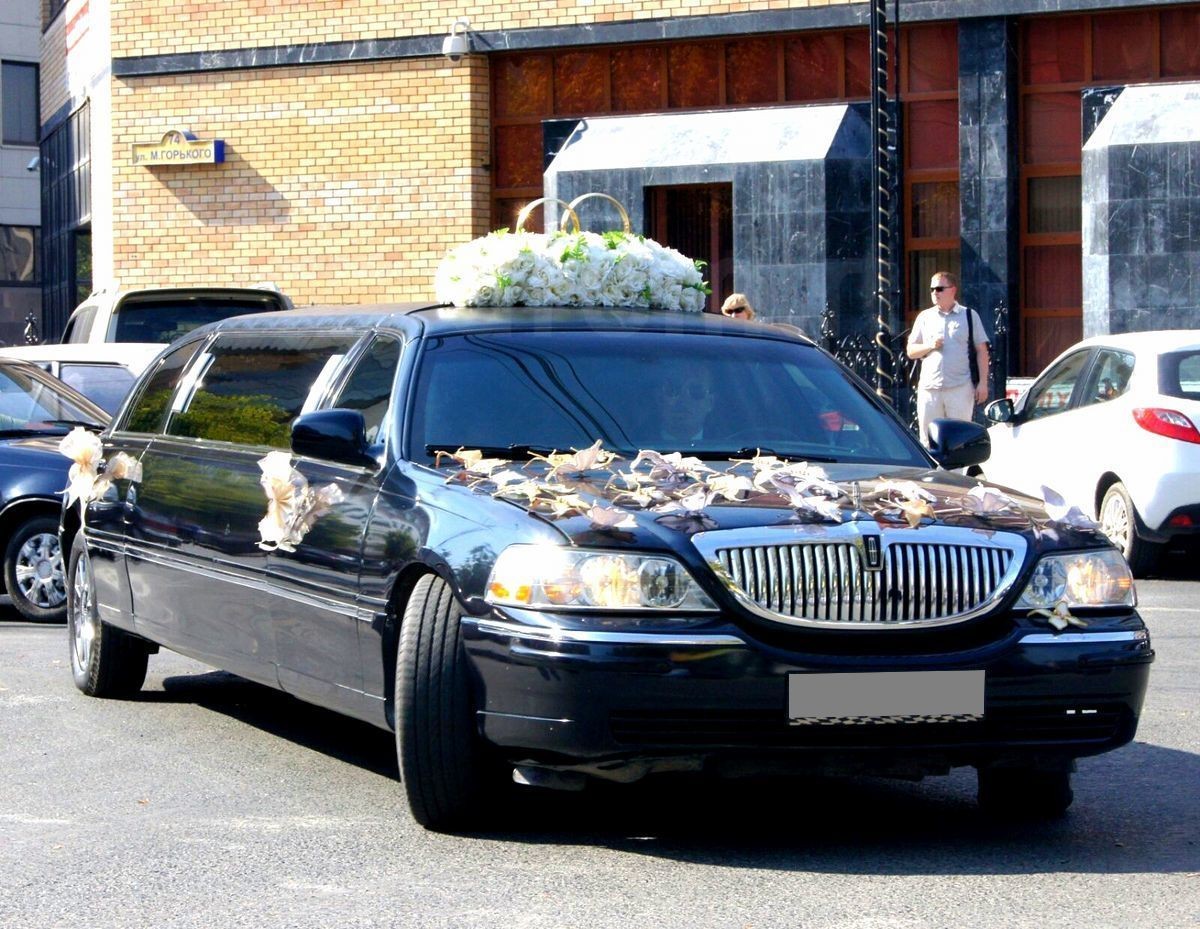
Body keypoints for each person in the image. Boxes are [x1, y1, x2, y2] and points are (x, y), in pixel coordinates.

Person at [906, 271, 990, 448]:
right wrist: (929, 345)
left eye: (939, 289)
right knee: (928, 441)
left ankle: (956, 468)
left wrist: (983, 383)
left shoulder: (969, 315)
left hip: (960, 388)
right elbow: (911, 351)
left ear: (952, 290)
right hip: (930, 389)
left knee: (959, 440)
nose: (934, 293)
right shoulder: (924, 317)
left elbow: (981, 350)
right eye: (931, 289)